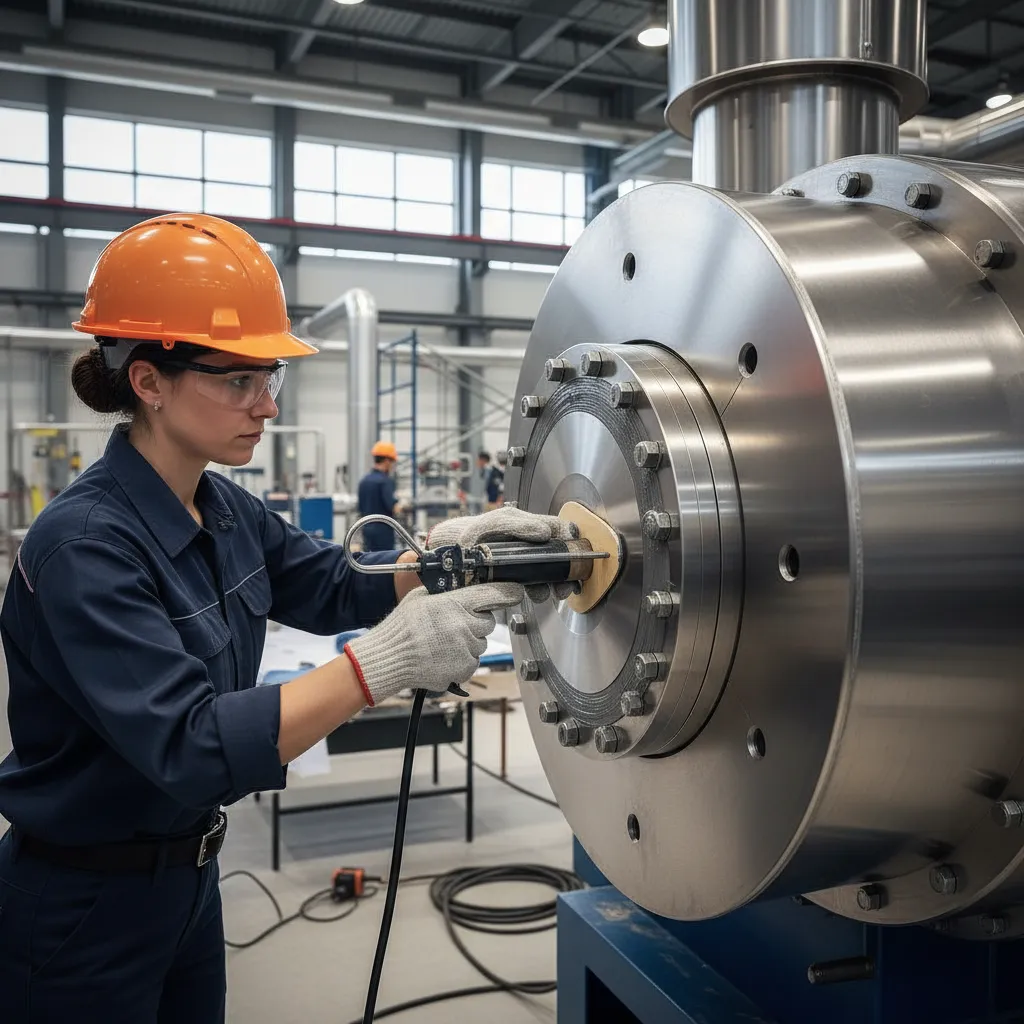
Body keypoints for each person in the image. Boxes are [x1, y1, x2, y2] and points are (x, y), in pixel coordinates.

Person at [0, 212, 573, 1024]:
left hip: (190, 882)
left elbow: (336, 584)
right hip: (83, 910)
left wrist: (451, 555)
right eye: (238, 381)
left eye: (269, 379)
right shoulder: (84, 548)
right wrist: (382, 663)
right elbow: (192, 748)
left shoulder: (223, 507)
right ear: (149, 382)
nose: (265, 406)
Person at [357, 440, 402, 551]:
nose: (392, 465)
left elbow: (360, 507)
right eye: (392, 462)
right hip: (383, 532)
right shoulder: (385, 481)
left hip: (366, 529)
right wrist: (402, 505)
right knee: (385, 559)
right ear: (386, 461)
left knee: (369, 559)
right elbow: (393, 507)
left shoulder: (364, 481)